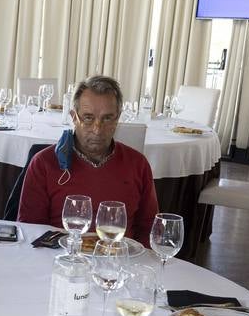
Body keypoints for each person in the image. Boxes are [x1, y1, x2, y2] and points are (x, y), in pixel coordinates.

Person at [16, 75, 158, 242]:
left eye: (107, 118)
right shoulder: (44, 163)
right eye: (88, 118)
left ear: (118, 118)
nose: (97, 129)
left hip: (120, 263)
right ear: (74, 117)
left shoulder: (138, 165)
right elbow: (30, 231)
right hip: (60, 261)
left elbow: (149, 230)